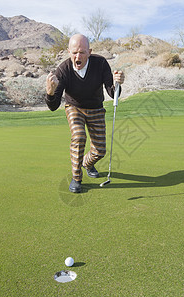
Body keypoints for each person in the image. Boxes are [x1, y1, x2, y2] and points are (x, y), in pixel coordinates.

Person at [46, 33, 124, 193]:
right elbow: (53, 106)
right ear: (69, 52)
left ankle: (87, 163)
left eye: (82, 52)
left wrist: (117, 83)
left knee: (100, 150)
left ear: (90, 51)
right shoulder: (63, 70)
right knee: (79, 136)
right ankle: (76, 178)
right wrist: (50, 93)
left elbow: (112, 91)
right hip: (74, 107)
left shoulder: (101, 63)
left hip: (96, 108)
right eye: (74, 52)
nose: (78, 56)